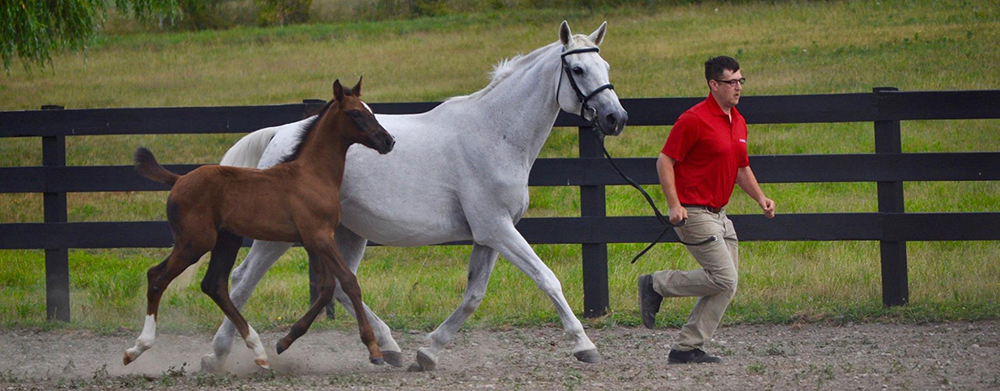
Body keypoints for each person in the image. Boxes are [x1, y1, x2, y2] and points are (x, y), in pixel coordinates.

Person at [638, 55, 775, 364]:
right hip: (694, 213)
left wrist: (761, 198)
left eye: (741, 80)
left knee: (727, 283)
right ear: (714, 85)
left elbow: (741, 168)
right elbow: (665, 161)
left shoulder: (737, 120)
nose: (738, 87)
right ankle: (655, 283)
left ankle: (686, 348)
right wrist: (674, 204)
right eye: (731, 82)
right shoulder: (694, 119)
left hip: (721, 215)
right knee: (725, 278)